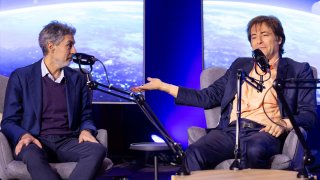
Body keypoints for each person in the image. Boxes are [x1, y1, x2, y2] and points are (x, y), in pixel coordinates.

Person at [131, 15, 317, 171]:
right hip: (230, 131)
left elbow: (309, 114)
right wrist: (163, 86)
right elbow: (207, 97)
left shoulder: (297, 70)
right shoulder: (240, 66)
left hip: (265, 132)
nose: (258, 41)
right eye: (253, 37)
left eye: (264, 35)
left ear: (279, 39)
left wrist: (284, 123)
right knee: (194, 153)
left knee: (251, 149)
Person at [1, 21, 107, 180]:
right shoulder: (21, 77)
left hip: (67, 141)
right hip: (35, 141)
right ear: (51, 46)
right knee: (32, 156)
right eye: (69, 45)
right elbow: (8, 121)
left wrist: (86, 129)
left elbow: (86, 116)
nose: (74, 51)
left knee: (97, 150)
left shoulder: (78, 79)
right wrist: (23, 135)